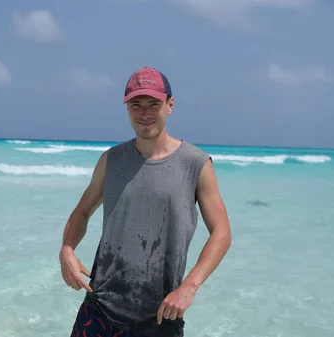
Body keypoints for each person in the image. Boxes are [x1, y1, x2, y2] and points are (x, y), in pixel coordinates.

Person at [59, 66, 232, 337]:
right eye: (136, 105)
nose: (145, 114)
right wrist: (67, 249)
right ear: (127, 109)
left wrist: (189, 286)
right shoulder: (111, 160)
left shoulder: (195, 164)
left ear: (170, 105)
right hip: (100, 308)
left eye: (154, 104)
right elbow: (82, 211)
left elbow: (222, 232)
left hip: (160, 317)